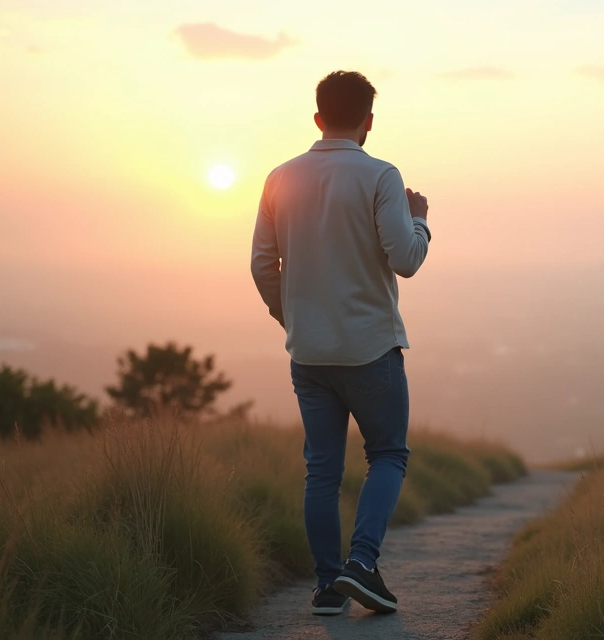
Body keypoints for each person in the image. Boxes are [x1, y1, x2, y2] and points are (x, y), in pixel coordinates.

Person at [250, 70, 431, 616]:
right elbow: (406, 259)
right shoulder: (380, 176)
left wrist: (295, 321)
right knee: (389, 455)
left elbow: (263, 265)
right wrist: (419, 220)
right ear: (369, 121)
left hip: (309, 353)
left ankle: (329, 585)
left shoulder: (279, 178)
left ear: (317, 117)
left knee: (322, 470)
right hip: (371, 348)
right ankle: (362, 564)